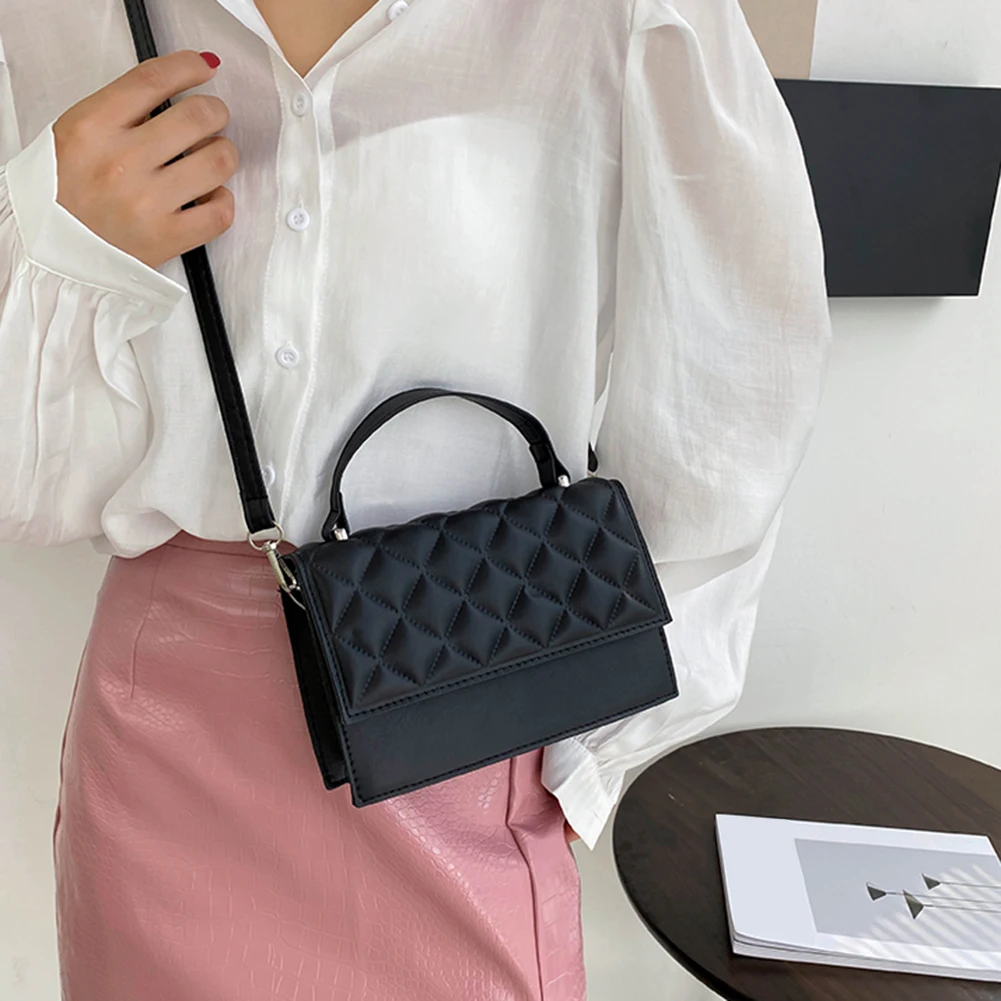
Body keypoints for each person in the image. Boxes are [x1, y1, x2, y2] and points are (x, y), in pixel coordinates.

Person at [0, 0, 832, 996]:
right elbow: (26, 491)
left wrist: (588, 756)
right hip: (166, 739)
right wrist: (56, 239)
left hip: (473, 693)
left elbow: (734, 383)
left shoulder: (622, 15)